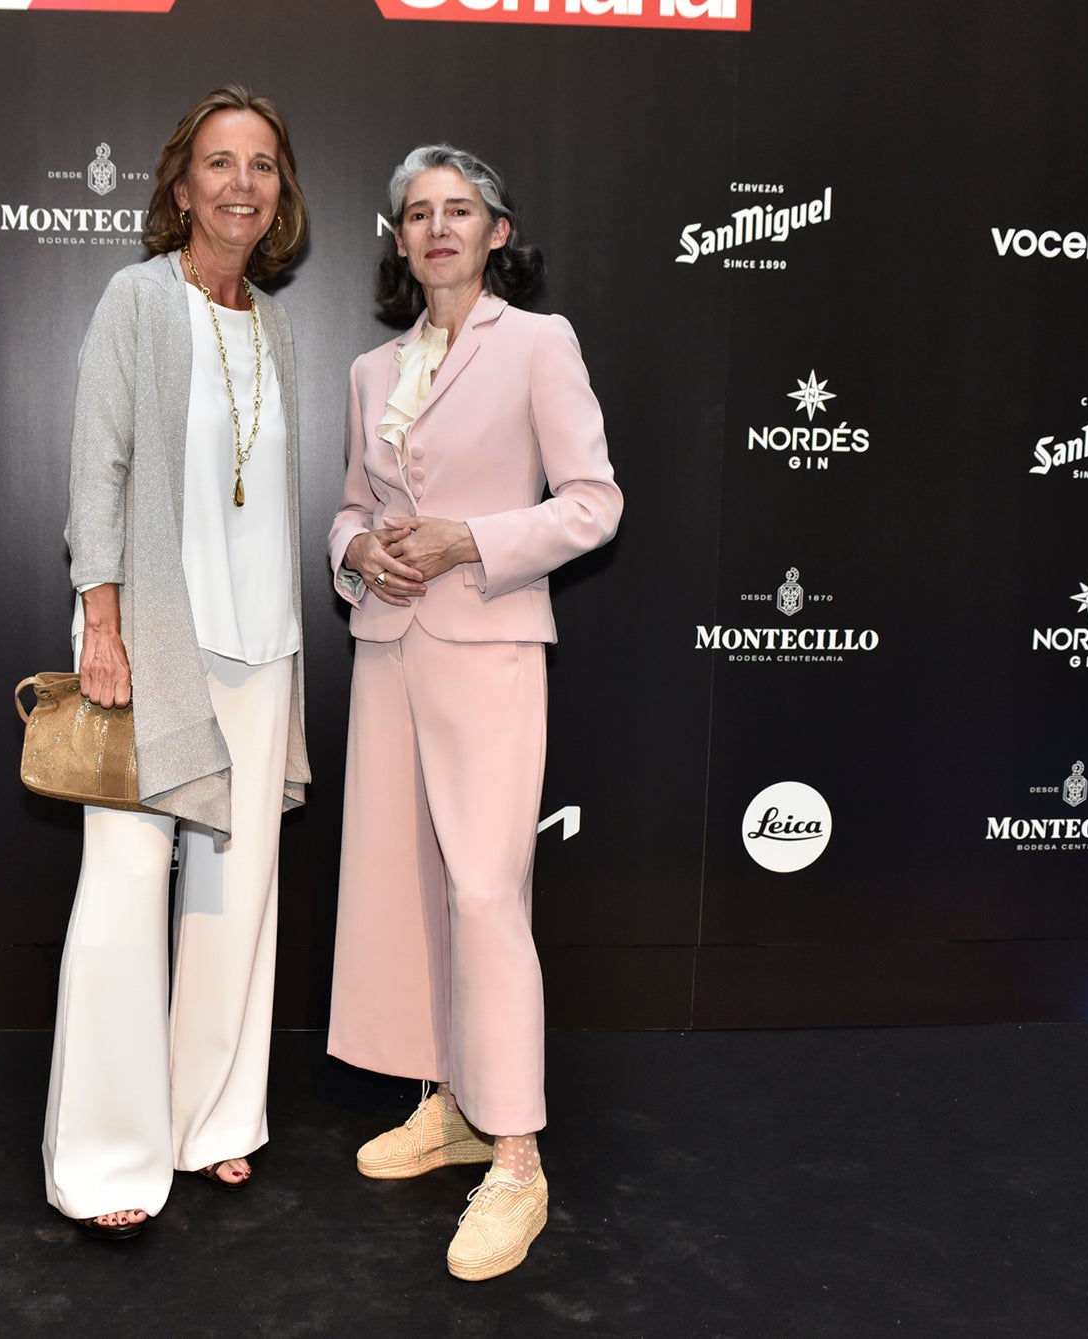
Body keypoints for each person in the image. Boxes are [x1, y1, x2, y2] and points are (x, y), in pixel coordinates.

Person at [326, 144, 622, 1280]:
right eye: (416, 213)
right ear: (396, 240)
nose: (436, 227)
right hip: (390, 651)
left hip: (489, 646)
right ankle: (444, 1101)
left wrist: (473, 540)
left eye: (459, 210)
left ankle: (516, 1157)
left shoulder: (537, 344)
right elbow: (350, 507)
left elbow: (593, 501)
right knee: (409, 892)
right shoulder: (369, 370)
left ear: (497, 231)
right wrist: (357, 549)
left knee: (487, 891)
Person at [44, 85, 312, 1241]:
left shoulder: (276, 322)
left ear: (279, 192)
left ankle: (211, 1120)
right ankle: (107, 1151)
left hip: (264, 645)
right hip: (153, 636)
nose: (240, 184)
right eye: (219, 163)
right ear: (181, 183)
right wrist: (99, 624)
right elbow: (95, 469)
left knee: (233, 894)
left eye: (260, 165)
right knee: (121, 894)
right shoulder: (134, 301)